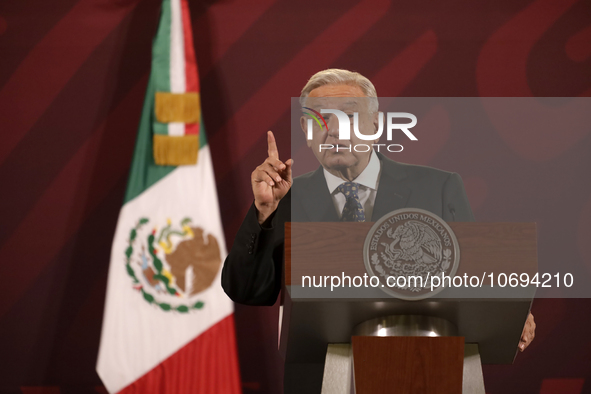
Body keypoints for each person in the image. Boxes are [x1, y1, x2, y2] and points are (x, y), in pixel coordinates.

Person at [221, 69, 535, 354]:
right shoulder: (286, 198)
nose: (334, 131)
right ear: (306, 128)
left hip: (424, 366)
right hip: (318, 375)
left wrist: (511, 310)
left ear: (375, 124)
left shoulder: (438, 187)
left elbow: (478, 275)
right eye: (321, 119)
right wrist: (264, 212)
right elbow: (247, 291)